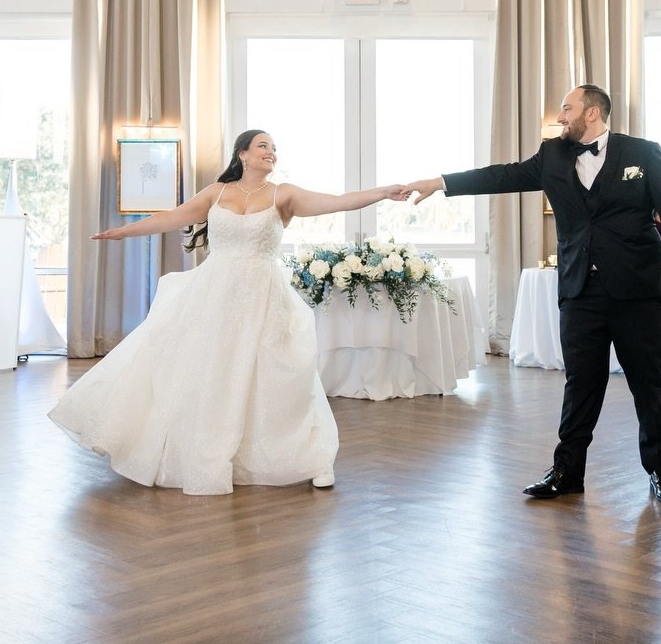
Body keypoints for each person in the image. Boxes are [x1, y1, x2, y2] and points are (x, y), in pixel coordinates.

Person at [50, 129, 408, 495]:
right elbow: (172, 217)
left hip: (263, 296)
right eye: (263, 146)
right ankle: (199, 448)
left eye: (274, 148)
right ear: (243, 155)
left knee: (274, 373)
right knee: (210, 370)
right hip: (214, 293)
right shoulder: (216, 193)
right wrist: (123, 233)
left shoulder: (283, 194)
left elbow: (338, 201)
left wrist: (382, 193)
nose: (271, 153)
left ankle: (308, 458)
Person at [403, 85, 661, 506]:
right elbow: (501, 175)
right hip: (580, 289)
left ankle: (660, 473)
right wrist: (440, 182)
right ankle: (566, 472)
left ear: (593, 112)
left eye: (567, 108)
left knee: (647, 384)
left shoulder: (644, 153)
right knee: (580, 384)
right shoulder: (553, 155)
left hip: (636, 289)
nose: (561, 116)